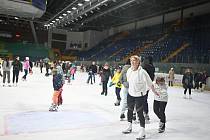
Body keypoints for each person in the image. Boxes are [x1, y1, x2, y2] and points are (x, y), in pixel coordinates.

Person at [122, 55, 159, 140]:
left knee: (140, 113)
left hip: (140, 95)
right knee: (130, 111)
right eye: (131, 61)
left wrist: (154, 91)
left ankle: (142, 131)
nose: (133, 62)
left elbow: (150, 83)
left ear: (138, 62)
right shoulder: (129, 71)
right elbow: (128, 81)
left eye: (135, 61)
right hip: (131, 94)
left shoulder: (143, 72)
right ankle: (129, 126)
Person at [142, 56, 155, 123]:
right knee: (144, 99)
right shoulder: (152, 67)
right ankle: (145, 113)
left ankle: (142, 114)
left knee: (140, 99)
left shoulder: (144, 66)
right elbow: (152, 77)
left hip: (143, 85)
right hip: (148, 85)